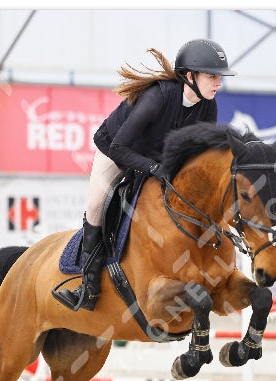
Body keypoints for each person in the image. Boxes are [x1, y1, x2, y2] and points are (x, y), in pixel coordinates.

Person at [52, 38, 236, 311]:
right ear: (190, 76)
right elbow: (120, 147)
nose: (218, 83)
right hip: (116, 150)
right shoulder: (157, 97)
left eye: (219, 77)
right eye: (212, 76)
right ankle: (88, 287)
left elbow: (196, 156)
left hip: (156, 157)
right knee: (96, 205)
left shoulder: (208, 107)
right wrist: (153, 168)